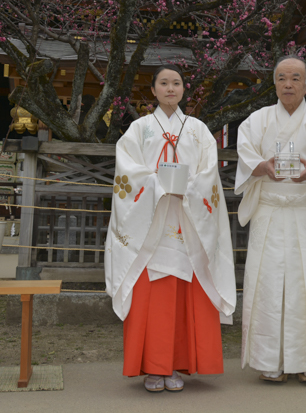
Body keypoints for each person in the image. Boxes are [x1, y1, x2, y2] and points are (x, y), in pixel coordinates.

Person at [105, 65, 236, 393]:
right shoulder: (138, 129)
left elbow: (209, 174)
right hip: (151, 220)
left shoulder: (198, 130)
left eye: (176, 83)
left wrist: (188, 187)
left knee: (183, 293)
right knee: (152, 295)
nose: (170, 88)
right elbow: (127, 172)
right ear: (153, 90)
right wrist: (157, 185)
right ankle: (153, 366)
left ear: (183, 90)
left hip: (187, 219)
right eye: (163, 83)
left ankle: (178, 364)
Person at [235, 55, 306, 384]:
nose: (288, 84)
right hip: (269, 211)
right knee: (267, 285)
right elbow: (245, 154)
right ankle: (270, 360)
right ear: (274, 83)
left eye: (296, 78)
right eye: (282, 77)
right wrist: (261, 167)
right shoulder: (256, 120)